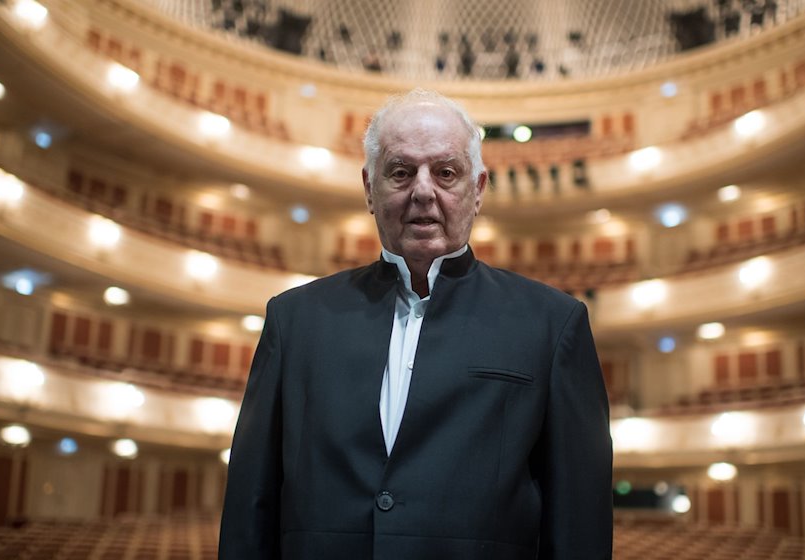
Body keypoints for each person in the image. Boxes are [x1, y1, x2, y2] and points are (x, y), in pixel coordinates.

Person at [219, 89, 612, 559]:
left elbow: (579, 528)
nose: (423, 190)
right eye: (401, 172)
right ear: (369, 187)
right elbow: (249, 510)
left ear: (478, 189)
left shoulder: (554, 325)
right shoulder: (293, 320)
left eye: (446, 172)